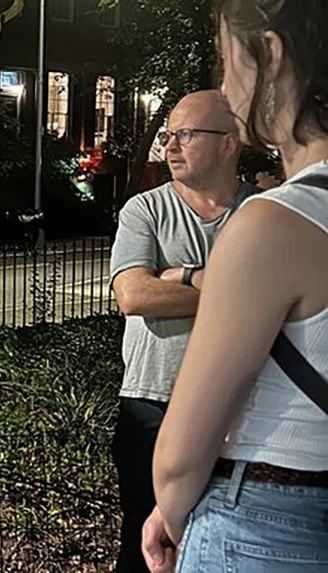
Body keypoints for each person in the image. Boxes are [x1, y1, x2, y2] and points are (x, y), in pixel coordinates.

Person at [142, 1, 328, 571]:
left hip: (266, 522)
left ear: (269, 57)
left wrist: (170, 512)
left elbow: (181, 452)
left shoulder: (273, 224)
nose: (225, 83)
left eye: (226, 61)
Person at [108, 90, 256, 573]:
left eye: (186, 135)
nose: (170, 147)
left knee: (225, 548)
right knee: (146, 546)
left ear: (229, 144)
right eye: (168, 136)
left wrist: (176, 275)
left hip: (244, 413)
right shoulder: (145, 211)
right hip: (152, 406)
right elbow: (133, 296)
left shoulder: (264, 215)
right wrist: (219, 285)